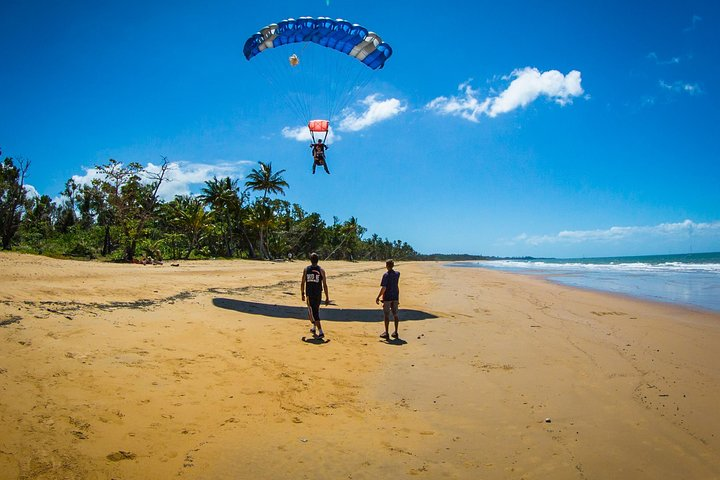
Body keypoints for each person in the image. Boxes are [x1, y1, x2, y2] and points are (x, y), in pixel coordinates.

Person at [301, 252, 330, 338]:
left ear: (310, 260)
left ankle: (321, 332)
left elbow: (302, 283)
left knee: (312, 313)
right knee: (315, 311)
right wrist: (327, 297)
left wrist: (302, 293)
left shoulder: (306, 270)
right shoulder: (321, 270)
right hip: (318, 294)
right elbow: (325, 285)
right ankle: (314, 328)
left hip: (310, 294)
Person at [375, 259, 400, 339]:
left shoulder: (386, 275)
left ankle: (386, 332)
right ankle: (396, 332)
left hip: (388, 297)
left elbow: (384, 288)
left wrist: (378, 297)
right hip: (395, 296)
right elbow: (396, 285)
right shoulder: (397, 274)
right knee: (395, 314)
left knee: (386, 315)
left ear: (387, 265)